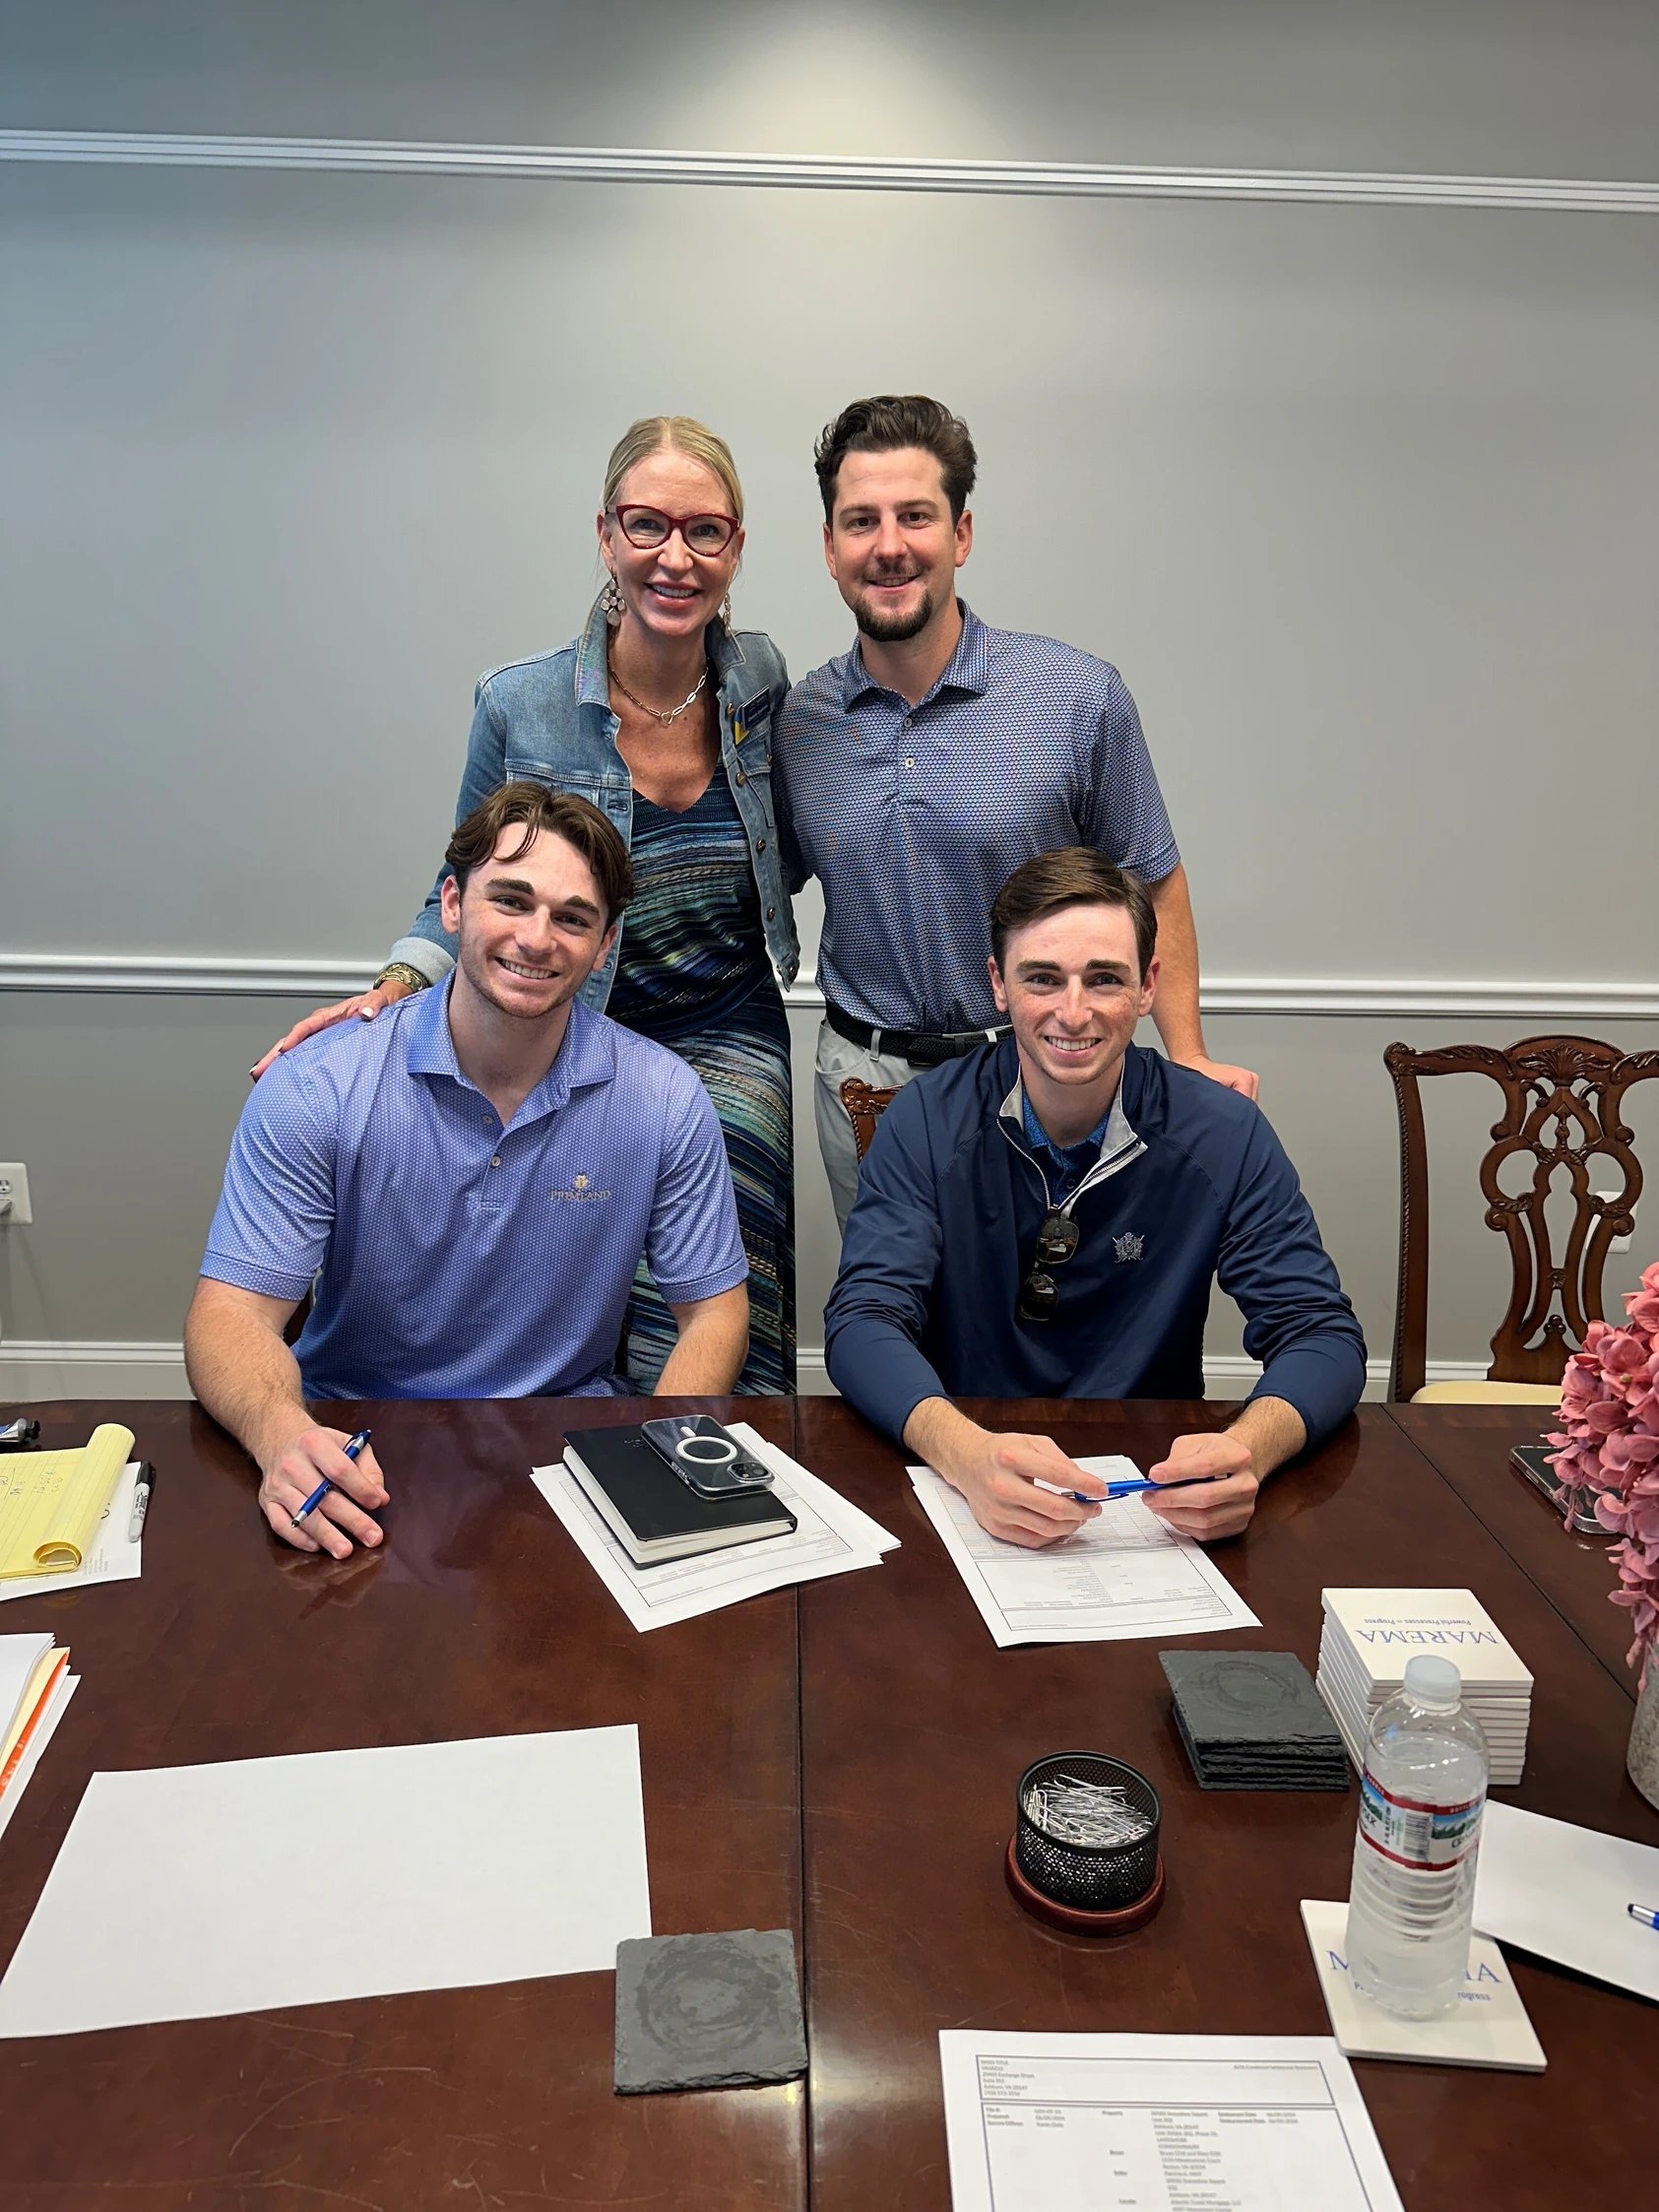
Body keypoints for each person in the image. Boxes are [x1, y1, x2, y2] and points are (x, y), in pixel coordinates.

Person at [253, 418, 799, 1393]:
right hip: (575, 1018)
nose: (675, 557)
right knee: (559, 1268)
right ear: (605, 535)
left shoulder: (758, 681)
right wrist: (391, 987)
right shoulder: (520, 702)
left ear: (736, 547)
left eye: (705, 531)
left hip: (727, 1021)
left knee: (725, 1272)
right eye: (646, 525)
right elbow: (463, 876)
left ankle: (690, 1458)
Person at [187, 783, 750, 1559]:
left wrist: (661, 1451)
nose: (537, 938)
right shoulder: (319, 1085)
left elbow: (713, 1313)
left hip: (566, 1443)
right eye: (510, 900)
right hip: (349, 1440)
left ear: (604, 944)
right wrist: (280, 1432)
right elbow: (231, 1314)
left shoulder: (663, 1097)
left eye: (572, 918)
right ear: (452, 905)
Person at [774, 393, 1258, 1229]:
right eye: (860, 522)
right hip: (864, 1083)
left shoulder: (1074, 698)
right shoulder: (799, 725)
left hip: (1044, 1062)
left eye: (915, 516)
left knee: (1052, 1294)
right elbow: (756, 883)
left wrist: (1187, 1055)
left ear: (960, 534)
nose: (888, 546)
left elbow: (1154, 882)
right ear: (829, 547)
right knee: (888, 1296)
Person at [823, 848, 1364, 1548]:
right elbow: (863, 1322)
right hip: (963, 1472)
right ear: (998, 985)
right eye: (1042, 979)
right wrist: (963, 1452)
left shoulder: (1222, 1132)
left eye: (1104, 979)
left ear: (1147, 987)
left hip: (1155, 1491)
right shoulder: (924, 1119)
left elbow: (1319, 1334)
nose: (1073, 1014)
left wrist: (1247, 1451)